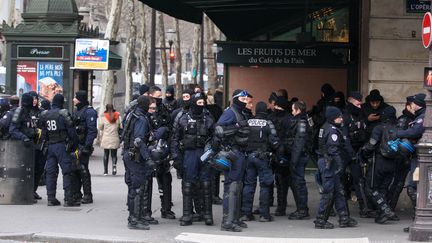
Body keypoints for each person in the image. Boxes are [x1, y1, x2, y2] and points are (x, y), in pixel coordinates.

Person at [171, 92, 215, 226]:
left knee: (206, 184)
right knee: (188, 185)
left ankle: (207, 215)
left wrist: (212, 151)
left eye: (203, 103)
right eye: (199, 103)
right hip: (189, 154)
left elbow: (215, 137)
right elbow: (174, 138)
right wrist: (176, 157)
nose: (201, 105)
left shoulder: (208, 117)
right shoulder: (183, 118)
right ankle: (187, 215)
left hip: (204, 153)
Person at [314, 106, 357, 229]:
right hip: (329, 163)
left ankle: (344, 217)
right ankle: (320, 219)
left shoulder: (325, 127)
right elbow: (333, 150)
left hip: (327, 162)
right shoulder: (332, 131)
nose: (341, 119)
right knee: (328, 192)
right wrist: (340, 164)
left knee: (339, 191)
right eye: (339, 117)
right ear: (333, 118)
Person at [215, 89, 250, 232]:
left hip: (240, 154)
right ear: (235, 99)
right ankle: (227, 221)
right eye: (242, 100)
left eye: (246, 99)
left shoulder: (240, 112)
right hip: (232, 153)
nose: (245, 102)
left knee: (238, 187)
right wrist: (236, 126)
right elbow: (219, 129)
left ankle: (234, 218)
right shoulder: (230, 112)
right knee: (232, 187)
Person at [240, 101, 279, 222]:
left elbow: (242, 138)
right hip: (263, 157)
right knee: (265, 185)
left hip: (249, 157)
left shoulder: (248, 122)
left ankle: (247, 213)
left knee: (249, 185)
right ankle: (264, 214)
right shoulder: (268, 123)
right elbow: (274, 141)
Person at [360, 106, 399, 224]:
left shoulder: (379, 128)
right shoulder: (398, 128)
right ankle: (383, 213)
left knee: (371, 188)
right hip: (393, 163)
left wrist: (363, 154)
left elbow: (371, 145)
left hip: (379, 161)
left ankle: (386, 210)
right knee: (383, 189)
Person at [122, 96, 155, 230]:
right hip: (135, 156)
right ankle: (134, 219)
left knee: (134, 187)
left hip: (129, 154)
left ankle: (136, 216)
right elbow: (139, 140)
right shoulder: (141, 119)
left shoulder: (133, 115)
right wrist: (148, 158)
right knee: (137, 188)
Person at [40, 94, 79, 206]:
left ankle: (51, 198)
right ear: (61, 102)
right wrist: (74, 145)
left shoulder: (46, 114)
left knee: (51, 172)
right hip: (62, 146)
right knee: (67, 172)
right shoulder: (63, 114)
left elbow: (43, 132)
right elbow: (72, 132)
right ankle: (68, 199)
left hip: (50, 146)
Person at [395, 93, 426, 232]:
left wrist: (398, 133)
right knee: (415, 188)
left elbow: (414, 132)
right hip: (418, 158)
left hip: (422, 159)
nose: (410, 105)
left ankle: (420, 221)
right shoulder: (420, 116)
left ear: (416, 104)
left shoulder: (423, 116)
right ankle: (418, 221)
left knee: (415, 188)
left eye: (412, 103)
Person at [148, 86, 176, 219]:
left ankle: (166, 208)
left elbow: (171, 130)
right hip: (148, 152)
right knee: (147, 182)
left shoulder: (165, 110)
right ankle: (146, 211)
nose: (159, 99)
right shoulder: (144, 110)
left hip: (163, 151)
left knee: (165, 179)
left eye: (160, 97)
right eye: (156, 97)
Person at [342, 91, 370, 218]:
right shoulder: (345, 115)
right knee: (339, 180)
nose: (360, 107)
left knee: (358, 180)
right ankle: (340, 210)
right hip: (345, 152)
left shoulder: (360, 114)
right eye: (358, 104)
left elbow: (364, 131)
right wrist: (351, 152)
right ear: (351, 102)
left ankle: (363, 207)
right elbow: (345, 137)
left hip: (357, 151)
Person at [387, 96, 415, 211]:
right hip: (402, 156)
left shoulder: (414, 119)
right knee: (397, 183)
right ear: (408, 106)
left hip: (409, 156)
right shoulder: (404, 119)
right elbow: (398, 138)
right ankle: (389, 208)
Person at [9, 93, 39, 202]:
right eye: (31, 101)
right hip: (20, 147)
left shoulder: (28, 112)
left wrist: (34, 132)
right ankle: (19, 195)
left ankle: (27, 194)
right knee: (20, 173)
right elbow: (13, 130)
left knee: (28, 172)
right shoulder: (19, 112)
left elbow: (29, 126)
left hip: (28, 146)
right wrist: (24, 137)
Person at [72, 91, 98, 204]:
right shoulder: (77, 110)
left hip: (83, 145)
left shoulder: (89, 112)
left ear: (80, 99)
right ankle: (77, 193)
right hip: (76, 144)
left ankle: (88, 195)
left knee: (83, 169)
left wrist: (87, 146)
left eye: (75, 98)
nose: (73, 99)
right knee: (75, 169)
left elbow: (92, 131)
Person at [287, 101, 311, 220]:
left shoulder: (301, 122)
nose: (292, 112)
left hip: (299, 156)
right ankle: (301, 208)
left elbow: (299, 143)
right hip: (301, 155)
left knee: (299, 183)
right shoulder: (305, 119)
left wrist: (294, 161)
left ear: (298, 110)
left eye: (293, 109)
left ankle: (302, 210)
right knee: (297, 183)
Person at [99, 104, 122, 176]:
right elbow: (120, 126)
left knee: (106, 154)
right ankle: (114, 166)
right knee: (114, 155)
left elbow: (100, 127)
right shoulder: (117, 115)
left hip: (106, 138)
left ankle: (105, 171)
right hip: (115, 137)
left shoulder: (103, 116)